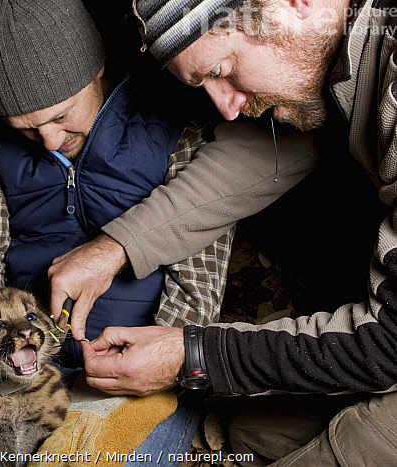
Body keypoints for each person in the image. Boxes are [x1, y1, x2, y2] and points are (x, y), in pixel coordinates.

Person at [0, 0, 318, 462]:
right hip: (17, 359)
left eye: (61, 115)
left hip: (136, 366)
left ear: (96, 69)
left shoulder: (178, 131)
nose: (51, 140)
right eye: (26, 130)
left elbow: (197, 290)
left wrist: (154, 368)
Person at [73, 0, 397, 464]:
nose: (226, 109)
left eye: (222, 68)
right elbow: (278, 151)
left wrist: (192, 357)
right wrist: (118, 246)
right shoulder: (342, 45)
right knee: (249, 433)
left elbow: (388, 342)